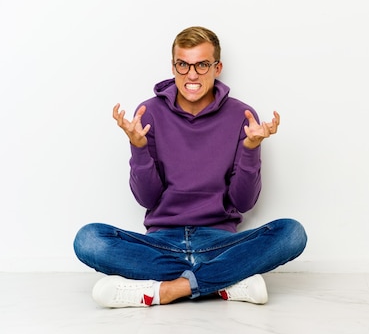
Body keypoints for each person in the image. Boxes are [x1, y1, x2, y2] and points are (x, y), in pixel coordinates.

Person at [73, 26, 307, 308]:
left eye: (202, 65)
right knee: (88, 239)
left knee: (292, 233)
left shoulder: (241, 115)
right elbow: (146, 199)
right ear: (173, 66)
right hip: (162, 243)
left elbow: (243, 202)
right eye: (183, 64)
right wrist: (138, 146)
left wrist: (250, 149)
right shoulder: (149, 113)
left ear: (217, 67)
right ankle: (225, 282)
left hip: (218, 243)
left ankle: (168, 290)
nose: (191, 75)